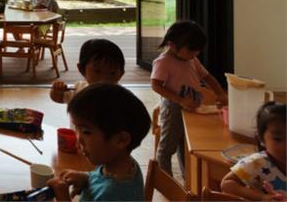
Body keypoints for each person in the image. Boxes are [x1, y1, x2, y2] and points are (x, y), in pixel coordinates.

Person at [151, 20, 228, 178]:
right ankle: (166, 182)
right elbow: (156, 86)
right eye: (191, 51)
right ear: (172, 45)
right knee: (167, 148)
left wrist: (221, 93)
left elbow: (207, 77)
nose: (195, 54)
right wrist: (180, 100)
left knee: (186, 145)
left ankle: (188, 179)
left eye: (197, 51)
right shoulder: (163, 62)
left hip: (192, 107)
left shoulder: (191, 59)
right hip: (173, 108)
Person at [48, 84, 151, 201]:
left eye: (86, 132)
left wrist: (63, 198)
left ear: (121, 140)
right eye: (77, 129)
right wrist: (85, 178)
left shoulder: (112, 194)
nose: (78, 138)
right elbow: (101, 178)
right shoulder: (120, 165)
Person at [221, 101, 286, 200]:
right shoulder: (257, 163)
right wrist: (261, 197)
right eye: (278, 139)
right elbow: (226, 184)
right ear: (261, 139)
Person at [51, 39, 125, 104]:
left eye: (112, 73)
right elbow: (59, 98)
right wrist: (57, 91)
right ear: (82, 69)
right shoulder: (78, 91)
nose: (104, 79)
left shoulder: (122, 96)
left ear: (121, 74)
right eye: (97, 71)